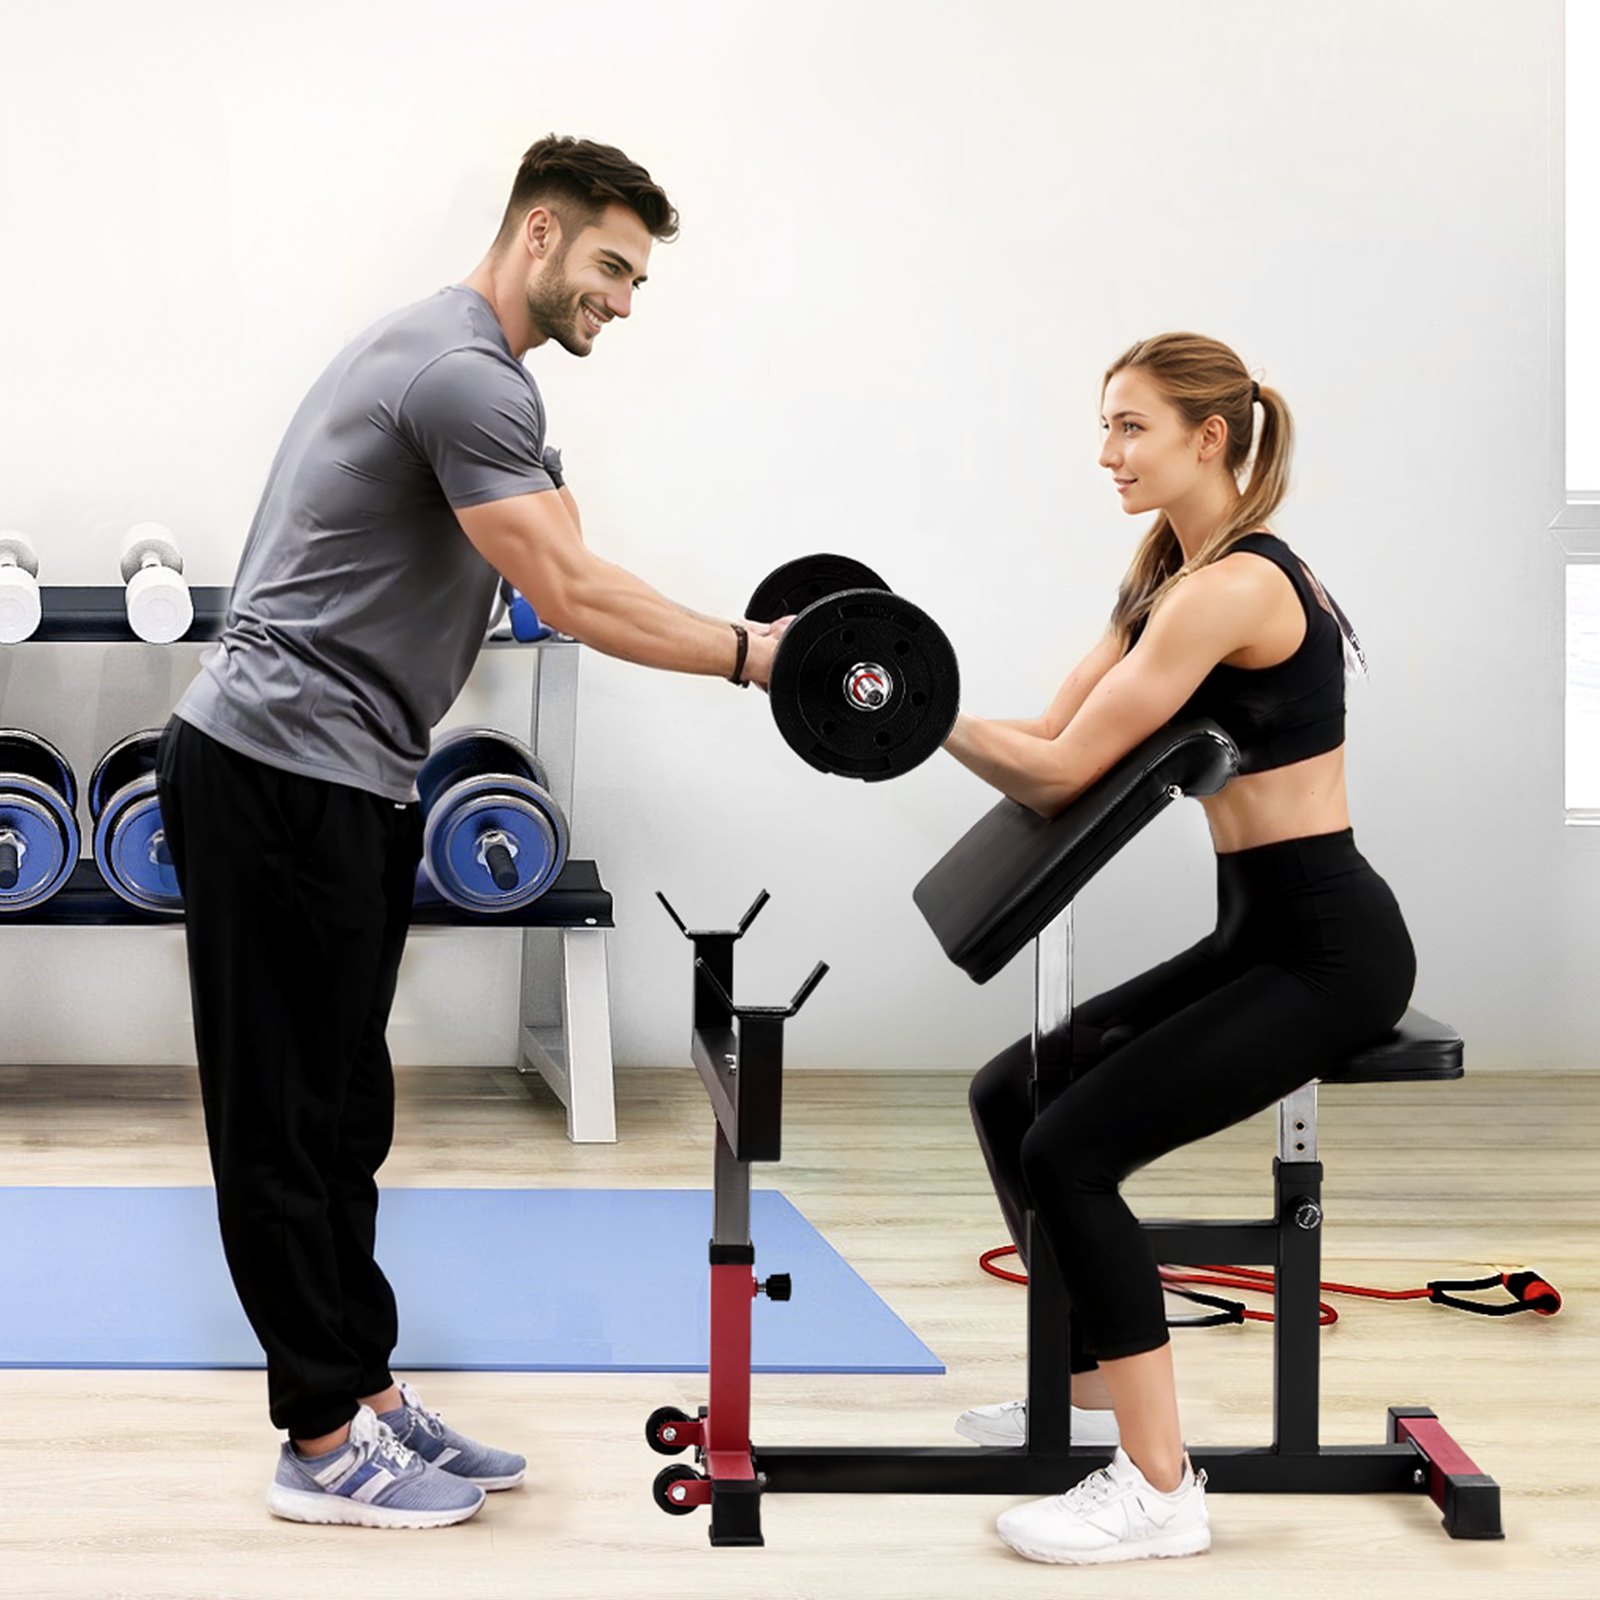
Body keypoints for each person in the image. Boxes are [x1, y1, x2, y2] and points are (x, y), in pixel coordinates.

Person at [155, 135, 782, 1530]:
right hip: (275, 772)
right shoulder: (459, 376)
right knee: (284, 1120)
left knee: (346, 1114)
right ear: (541, 236)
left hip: (351, 778)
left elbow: (568, 551)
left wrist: (737, 642)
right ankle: (318, 1440)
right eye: (615, 266)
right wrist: (757, 657)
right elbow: (568, 591)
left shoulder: (482, 384)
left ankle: (366, 1389)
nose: (625, 299)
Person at [942, 332, 1414, 1565]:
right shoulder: (1169, 569)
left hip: (1328, 950)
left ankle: (1160, 1490)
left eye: (1130, 427)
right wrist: (885, 685)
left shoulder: (1236, 587)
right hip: (1259, 927)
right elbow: (1052, 733)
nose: (1106, 454)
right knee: (1013, 1092)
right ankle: (1093, 1395)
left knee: (1071, 1146)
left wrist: (908, 702)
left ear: (1209, 436)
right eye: (1104, 427)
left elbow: (1053, 770)